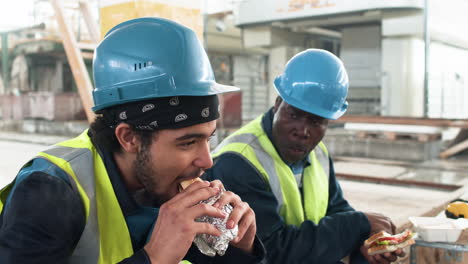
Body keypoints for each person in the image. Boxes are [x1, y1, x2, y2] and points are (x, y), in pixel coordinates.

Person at [0, 17, 266, 264]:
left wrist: (241, 249)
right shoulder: (48, 192)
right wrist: (153, 258)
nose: (206, 160)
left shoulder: (165, 182)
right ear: (129, 138)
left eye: (208, 139)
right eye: (187, 143)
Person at [207, 49, 405, 264]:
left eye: (316, 121)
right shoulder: (238, 160)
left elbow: (335, 209)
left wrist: (365, 242)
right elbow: (272, 250)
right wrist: (359, 224)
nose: (302, 131)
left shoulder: (318, 153)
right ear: (277, 104)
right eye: (294, 114)